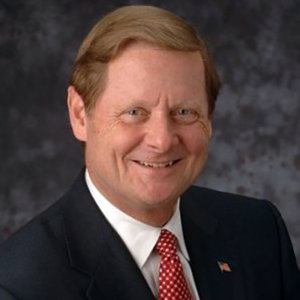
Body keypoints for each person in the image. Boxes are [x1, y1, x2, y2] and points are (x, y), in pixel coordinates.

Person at [0, 5, 299, 300]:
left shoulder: (259, 231)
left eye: (184, 111)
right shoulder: (19, 284)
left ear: (209, 118)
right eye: (134, 112)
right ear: (79, 115)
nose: (162, 140)